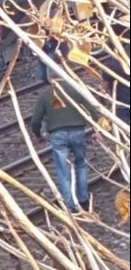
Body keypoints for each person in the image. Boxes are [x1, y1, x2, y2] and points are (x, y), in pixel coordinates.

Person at [30, 76, 95, 213]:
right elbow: (92, 109)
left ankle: (70, 205)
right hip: (77, 131)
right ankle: (83, 199)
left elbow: (35, 120)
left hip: (57, 134)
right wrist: (97, 129)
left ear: (50, 78)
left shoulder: (46, 93)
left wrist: (38, 135)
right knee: (80, 164)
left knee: (63, 170)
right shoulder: (76, 89)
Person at [100, 55, 129, 124]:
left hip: (120, 104)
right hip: (121, 103)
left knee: (121, 124)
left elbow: (104, 89)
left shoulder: (110, 64)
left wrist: (103, 101)